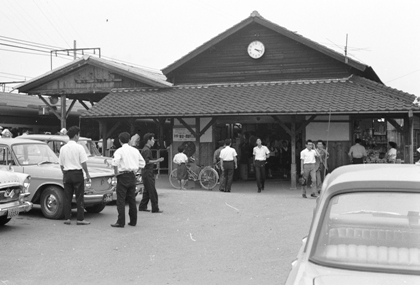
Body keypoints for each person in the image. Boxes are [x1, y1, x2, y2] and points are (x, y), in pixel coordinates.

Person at [111, 132, 146, 228]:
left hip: (122, 176)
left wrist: (115, 173)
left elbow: (115, 162)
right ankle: (133, 221)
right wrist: (135, 170)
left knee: (121, 200)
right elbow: (142, 163)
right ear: (129, 140)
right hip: (132, 176)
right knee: (131, 199)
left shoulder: (119, 151)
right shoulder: (135, 151)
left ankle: (120, 221)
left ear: (120, 141)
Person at [58, 126, 91, 225]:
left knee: (67, 197)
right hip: (77, 173)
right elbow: (83, 162)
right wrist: (87, 173)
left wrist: (64, 173)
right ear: (76, 135)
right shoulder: (79, 147)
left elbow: (61, 164)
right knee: (79, 196)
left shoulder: (63, 148)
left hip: (67, 173)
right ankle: (80, 219)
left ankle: (67, 218)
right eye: (79, 134)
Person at [138, 133, 164, 213]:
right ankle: (155, 208)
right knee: (152, 191)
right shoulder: (147, 150)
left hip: (146, 172)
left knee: (147, 190)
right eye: (152, 139)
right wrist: (157, 160)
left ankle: (142, 206)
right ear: (148, 140)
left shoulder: (146, 149)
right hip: (147, 172)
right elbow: (147, 161)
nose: (154, 141)